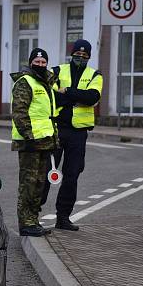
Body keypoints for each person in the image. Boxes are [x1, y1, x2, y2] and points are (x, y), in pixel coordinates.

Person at [41, 39, 103, 231]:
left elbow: (93, 97)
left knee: (72, 175)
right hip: (58, 128)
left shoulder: (95, 74)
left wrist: (67, 91)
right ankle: (33, 215)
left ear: (89, 57)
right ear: (72, 53)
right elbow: (51, 95)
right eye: (77, 54)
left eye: (85, 56)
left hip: (79, 133)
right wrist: (77, 97)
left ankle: (63, 217)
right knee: (47, 173)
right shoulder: (57, 70)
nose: (80, 57)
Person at [11, 48, 58, 237]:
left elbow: (47, 115)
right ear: (30, 63)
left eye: (43, 62)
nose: (40, 65)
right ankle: (25, 223)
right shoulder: (25, 82)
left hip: (45, 141)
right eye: (37, 62)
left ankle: (33, 220)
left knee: (39, 183)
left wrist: (54, 138)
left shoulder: (46, 82)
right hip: (30, 142)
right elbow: (19, 112)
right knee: (28, 184)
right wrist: (29, 136)